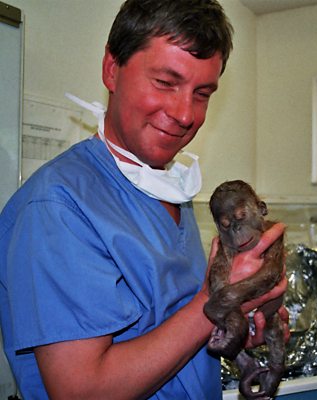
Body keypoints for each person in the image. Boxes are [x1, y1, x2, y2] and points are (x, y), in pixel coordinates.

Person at [0, 1, 288, 399]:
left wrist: (235, 325)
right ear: (112, 69)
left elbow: (172, 332)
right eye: (165, 82)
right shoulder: (58, 207)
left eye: (202, 93)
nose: (185, 114)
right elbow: (82, 390)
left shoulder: (169, 191)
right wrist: (216, 301)